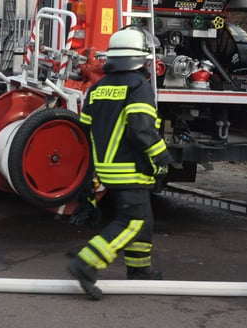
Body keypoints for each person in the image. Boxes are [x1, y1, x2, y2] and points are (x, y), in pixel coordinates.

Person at [67, 26, 172, 301]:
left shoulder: (97, 88)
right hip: (131, 168)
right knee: (133, 221)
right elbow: (141, 130)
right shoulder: (138, 87)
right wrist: (161, 156)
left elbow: (85, 129)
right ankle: (86, 262)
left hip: (107, 169)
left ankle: (140, 270)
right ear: (140, 58)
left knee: (144, 221)